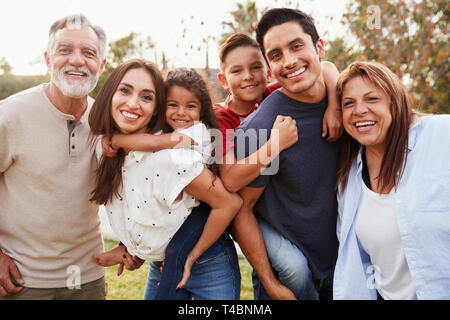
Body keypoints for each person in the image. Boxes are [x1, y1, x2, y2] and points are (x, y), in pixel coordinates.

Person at [89, 64, 243, 300]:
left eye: (146, 97)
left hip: (207, 259)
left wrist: (190, 256)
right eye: (173, 105)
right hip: (162, 256)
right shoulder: (111, 150)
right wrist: (134, 249)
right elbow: (145, 207)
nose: (133, 103)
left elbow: (229, 203)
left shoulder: (175, 154)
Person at [232, 8, 341, 300]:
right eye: (276, 55)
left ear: (319, 46)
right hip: (289, 281)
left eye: (296, 46)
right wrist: (271, 282)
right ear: (269, 67)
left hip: (343, 268)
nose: (290, 61)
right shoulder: (262, 130)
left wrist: (336, 105)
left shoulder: (347, 103)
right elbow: (242, 210)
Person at [0, 13, 109, 300]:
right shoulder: (9, 116)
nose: (77, 60)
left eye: (88, 52)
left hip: (89, 279)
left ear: (101, 64)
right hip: (22, 281)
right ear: (48, 59)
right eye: (65, 50)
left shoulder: (107, 124)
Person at [333, 61, 450, 300]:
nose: (360, 110)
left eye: (372, 99)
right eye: (348, 103)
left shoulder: (441, 135)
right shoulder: (348, 185)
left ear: (394, 103)